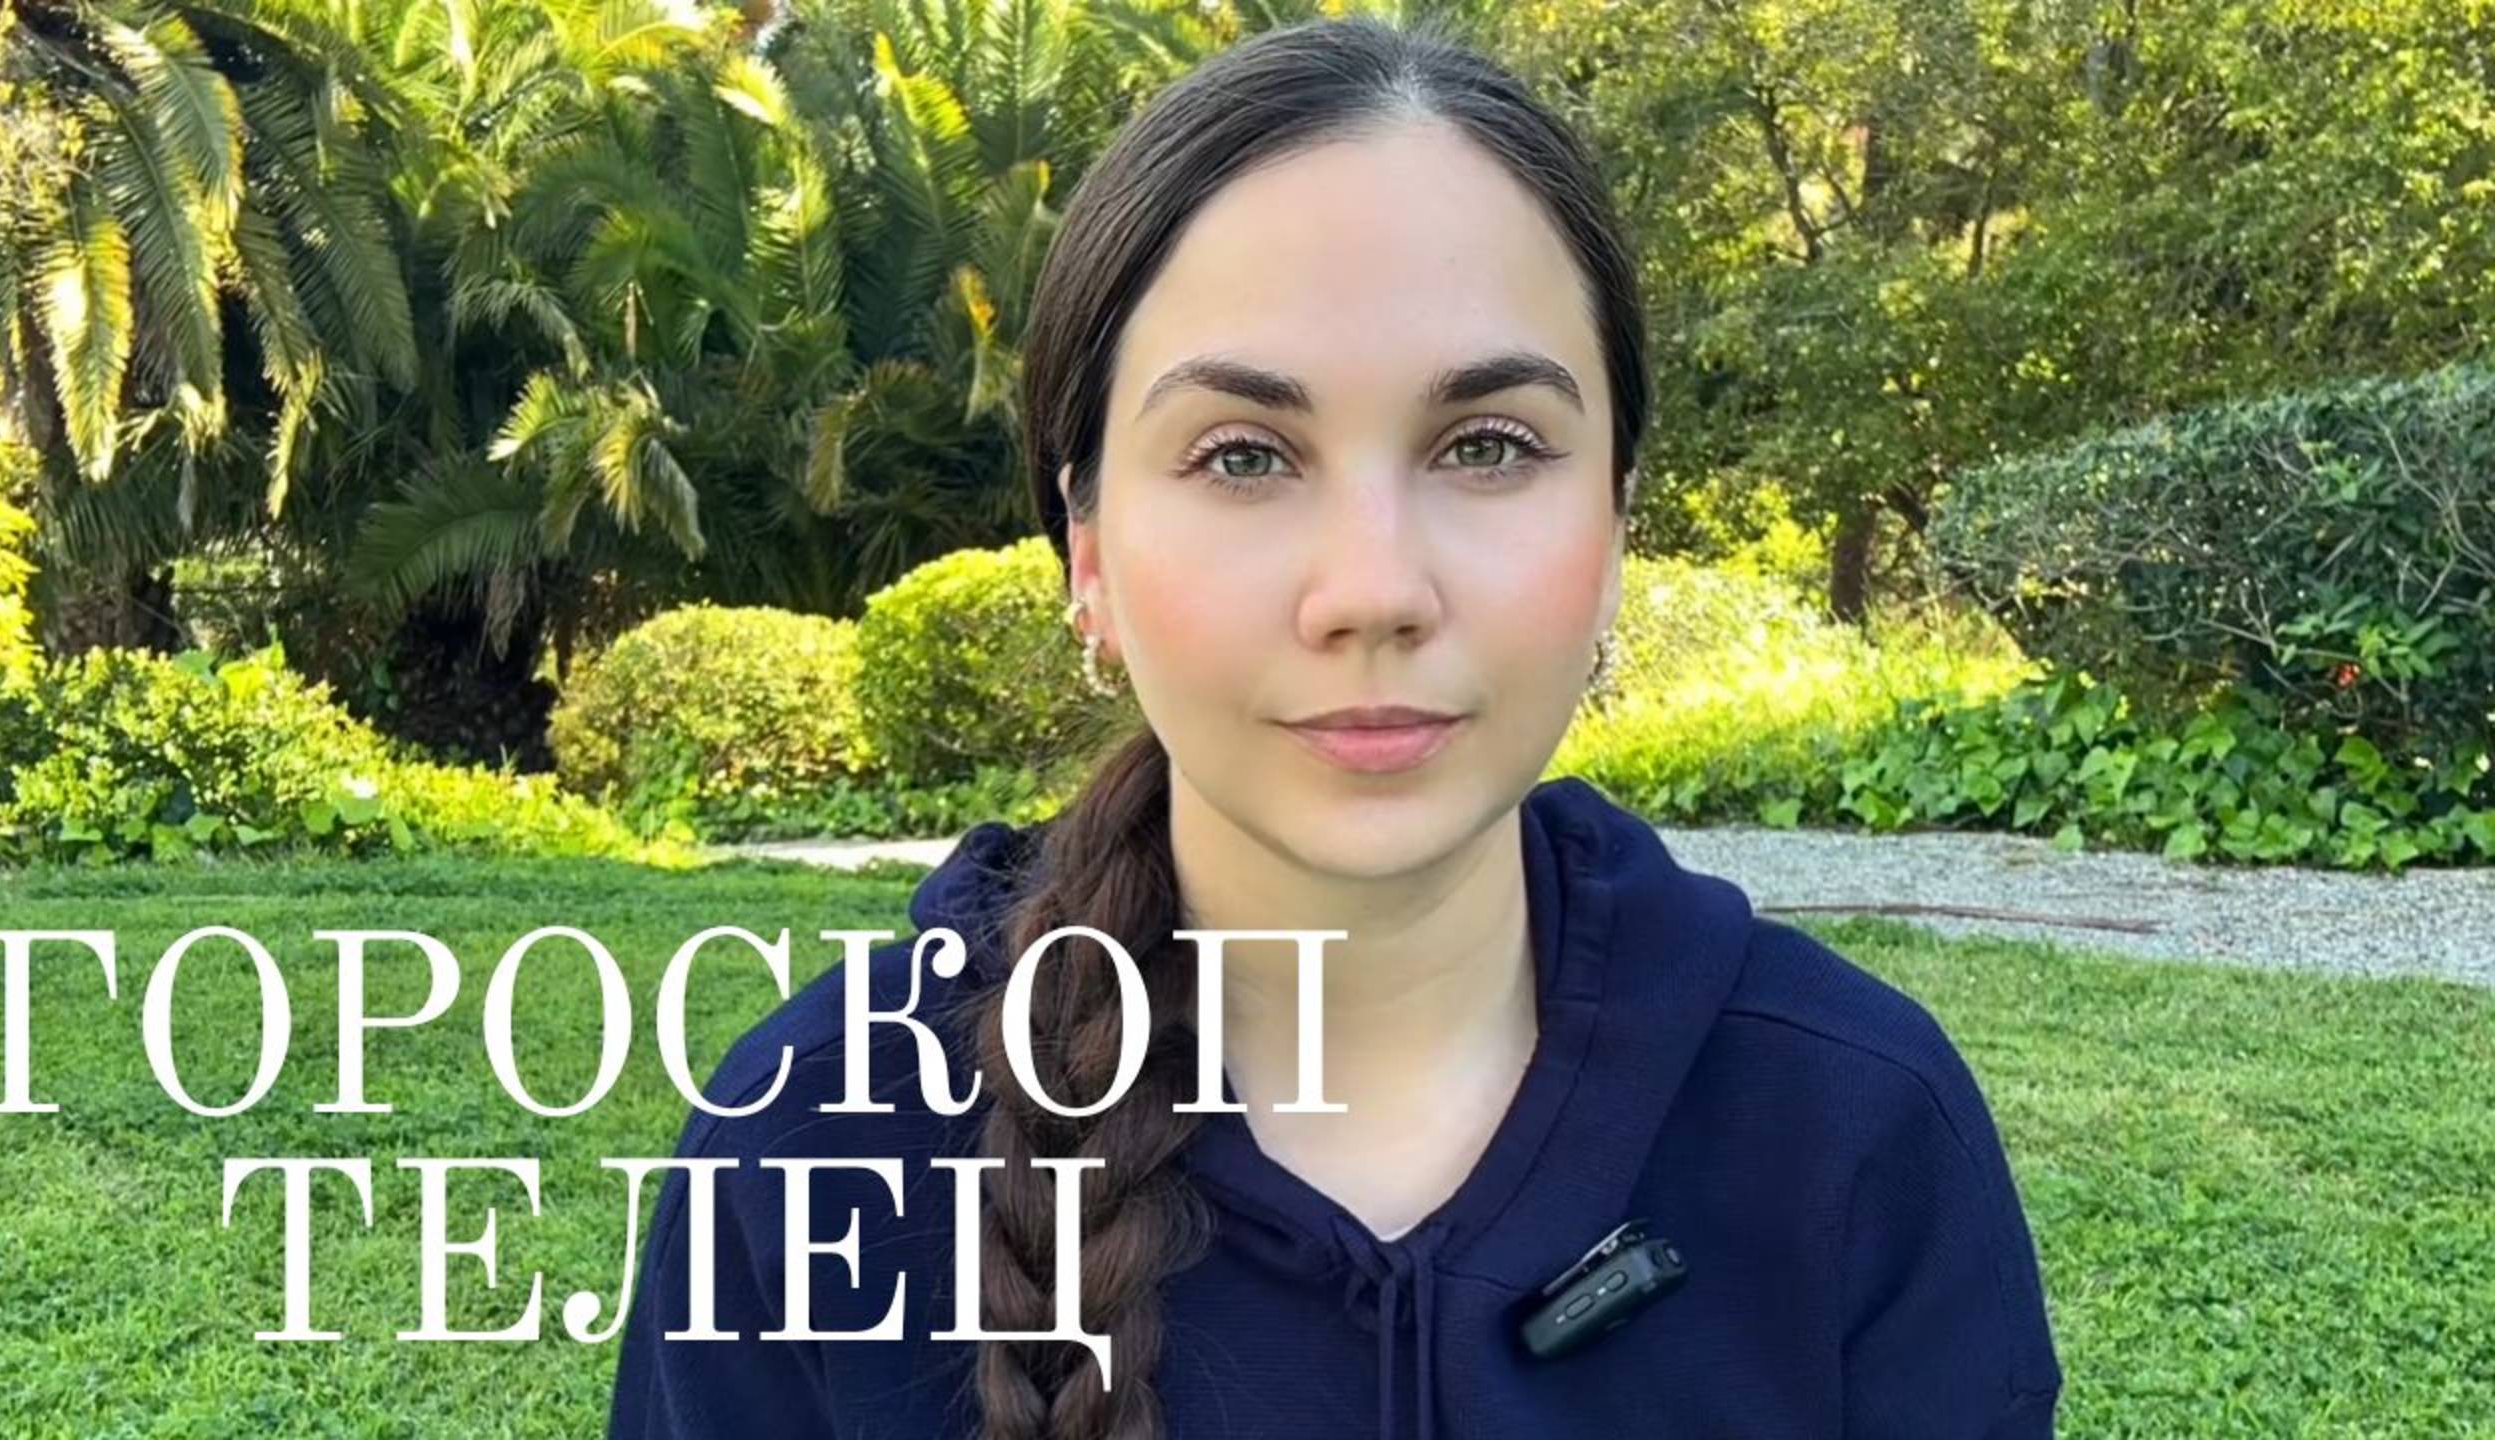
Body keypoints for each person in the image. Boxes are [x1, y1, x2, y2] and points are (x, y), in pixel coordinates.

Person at [606, 14, 2063, 1439]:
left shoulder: (1854, 1133)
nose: (1374, 589)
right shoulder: (808, 1154)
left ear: (1616, 522)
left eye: (1487, 446)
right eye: (1244, 457)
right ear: (1089, 553)